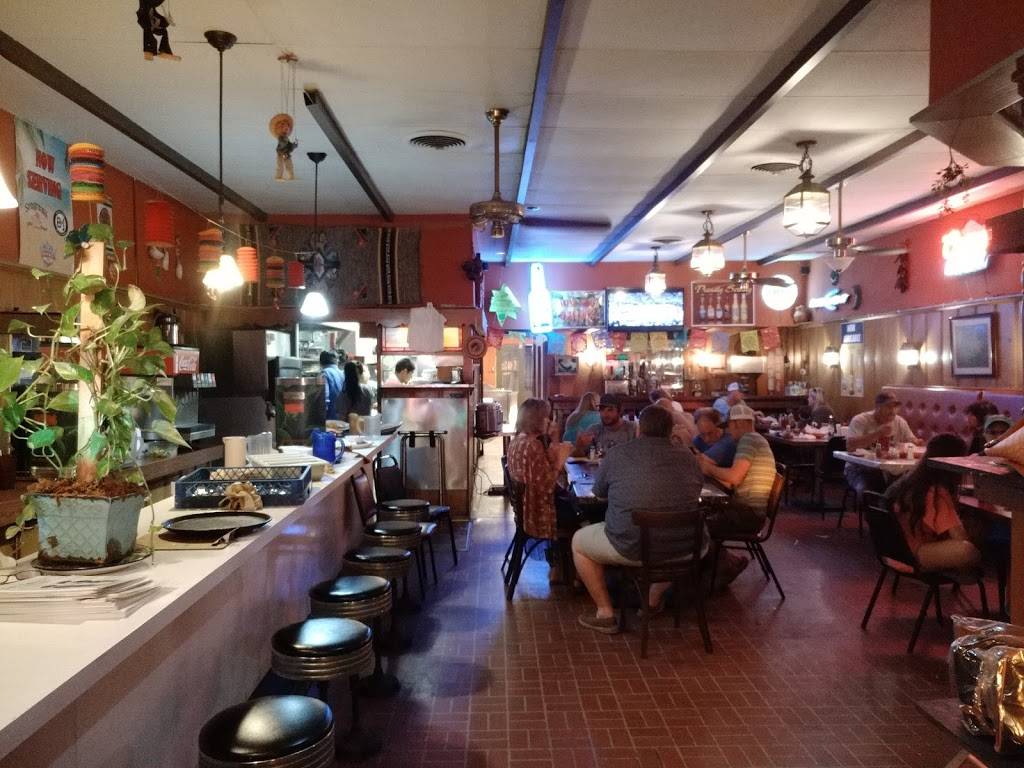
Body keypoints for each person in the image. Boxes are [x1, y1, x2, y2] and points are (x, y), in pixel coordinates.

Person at [572, 406, 705, 633]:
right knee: (688, 543)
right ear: (670, 430)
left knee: (578, 542)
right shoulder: (689, 457)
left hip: (631, 546)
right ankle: (651, 601)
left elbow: (599, 493)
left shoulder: (617, 454)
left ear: (639, 428)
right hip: (685, 547)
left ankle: (605, 613)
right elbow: (697, 490)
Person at [885, 434, 980, 573]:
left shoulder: (908, 481)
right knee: (969, 549)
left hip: (893, 553)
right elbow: (960, 537)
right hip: (913, 556)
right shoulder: (935, 493)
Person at [506, 398, 576, 581]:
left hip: (524, 510)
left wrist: (554, 438)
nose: (550, 421)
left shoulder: (518, 441)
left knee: (574, 504)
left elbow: (544, 469)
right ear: (537, 419)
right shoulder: (533, 446)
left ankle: (561, 566)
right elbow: (548, 486)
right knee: (583, 513)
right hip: (537, 511)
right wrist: (561, 462)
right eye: (547, 417)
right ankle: (572, 571)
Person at [697, 404, 777, 538]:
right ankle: (717, 551)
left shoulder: (749, 439)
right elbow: (730, 483)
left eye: (729, 426)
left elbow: (734, 478)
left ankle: (713, 552)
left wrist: (708, 468)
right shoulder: (754, 439)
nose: (728, 431)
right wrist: (709, 471)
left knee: (696, 523)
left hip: (749, 515)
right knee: (700, 515)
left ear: (737, 424)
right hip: (748, 513)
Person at [845, 392, 922, 495]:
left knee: (910, 488)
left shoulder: (900, 422)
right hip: (860, 469)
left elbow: (912, 442)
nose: (893, 411)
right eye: (888, 407)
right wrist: (878, 433)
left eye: (895, 407)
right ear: (878, 407)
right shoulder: (861, 420)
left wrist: (917, 443)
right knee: (869, 492)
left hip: (892, 471)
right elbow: (850, 446)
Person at [319, 351, 344, 420]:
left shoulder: (324, 374)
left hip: (330, 419)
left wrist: (321, 418)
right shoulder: (343, 373)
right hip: (344, 418)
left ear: (320, 363)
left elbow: (324, 398)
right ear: (337, 361)